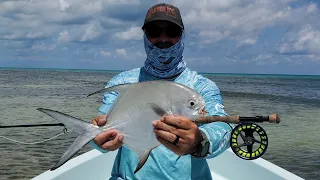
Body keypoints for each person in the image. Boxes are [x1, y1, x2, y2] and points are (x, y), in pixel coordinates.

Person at [90, 3, 233, 180]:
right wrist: (97, 141)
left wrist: (199, 141)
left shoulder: (202, 86)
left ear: (182, 36)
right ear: (144, 36)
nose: (163, 39)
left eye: (172, 32)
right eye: (154, 32)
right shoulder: (123, 82)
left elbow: (224, 127)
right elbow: (102, 128)